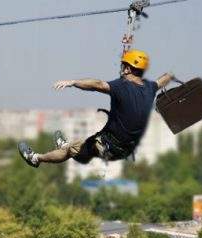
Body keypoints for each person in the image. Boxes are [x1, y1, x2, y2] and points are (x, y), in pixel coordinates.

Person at [18, 50, 175, 168]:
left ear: (128, 69)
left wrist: (73, 82)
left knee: (71, 151)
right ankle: (67, 146)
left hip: (107, 147)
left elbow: (97, 85)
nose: (122, 69)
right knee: (81, 149)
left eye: (123, 66)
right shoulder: (149, 88)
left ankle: (36, 158)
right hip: (125, 150)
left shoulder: (121, 86)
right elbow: (162, 80)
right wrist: (171, 75)